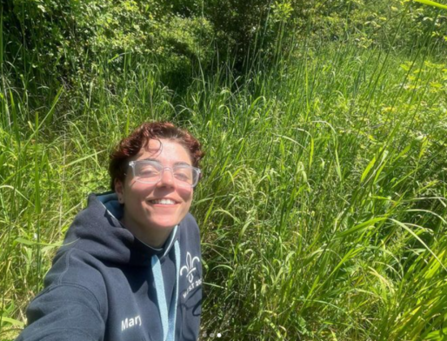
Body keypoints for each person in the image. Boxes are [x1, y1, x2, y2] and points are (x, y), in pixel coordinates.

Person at [16, 122, 204, 341]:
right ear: (120, 189)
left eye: (182, 173)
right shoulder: (86, 268)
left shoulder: (187, 228)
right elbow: (64, 318)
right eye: (148, 170)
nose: (168, 181)